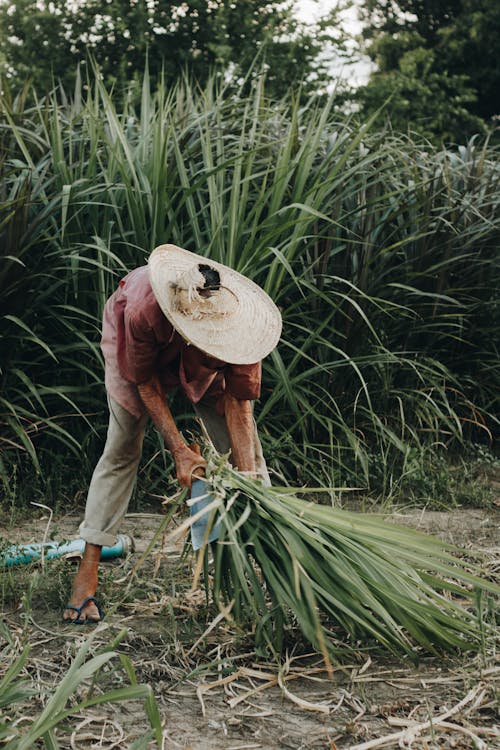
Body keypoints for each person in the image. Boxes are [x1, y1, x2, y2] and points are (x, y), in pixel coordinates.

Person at [63, 244, 282, 623]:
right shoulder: (143, 313)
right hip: (138, 350)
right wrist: (180, 449)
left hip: (198, 345)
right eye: (211, 354)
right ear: (188, 338)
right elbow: (145, 383)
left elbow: (239, 407)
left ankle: (272, 565)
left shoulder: (244, 331)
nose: (220, 363)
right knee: (123, 446)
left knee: (252, 462)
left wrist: (246, 484)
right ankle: (86, 575)